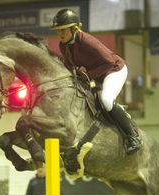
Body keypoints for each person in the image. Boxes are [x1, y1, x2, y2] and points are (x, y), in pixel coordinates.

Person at [50, 9, 140, 154]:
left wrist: (87, 75)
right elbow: (69, 67)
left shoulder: (87, 41)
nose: (60, 34)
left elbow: (109, 62)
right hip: (97, 75)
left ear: (74, 28)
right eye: (57, 31)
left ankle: (132, 136)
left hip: (114, 70)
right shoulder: (64, 45)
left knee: (106, 100)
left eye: (63, 30)